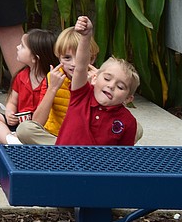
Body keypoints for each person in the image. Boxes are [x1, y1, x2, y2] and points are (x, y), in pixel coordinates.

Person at [55, 14, 139, 146]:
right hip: (62, 163)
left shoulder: (128, 122)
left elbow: (123, 157)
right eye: (107, 78)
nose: (111, 86)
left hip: (98, 167)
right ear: (94, 78)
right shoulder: (81, 96)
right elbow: (81, 67)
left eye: (120, 87)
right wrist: (85, 37)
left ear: (128, 99)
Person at [15, 27, 93, 145]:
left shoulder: (99, 80)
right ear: (58, 57)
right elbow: (37, 122)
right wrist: (52, 88)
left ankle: (63, 150)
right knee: (24, 129)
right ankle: (64, 149)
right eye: (67, 58)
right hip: (55, 136)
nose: (74, 64)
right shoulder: (53, 77)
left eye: (79, 57)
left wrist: (95, 90)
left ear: (91, 59)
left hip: (85, 139)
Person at [0, 28, 54, 144]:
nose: (17, 47)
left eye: (22, 46)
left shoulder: (51, 80)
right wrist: (9, 113)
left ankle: (8, 138)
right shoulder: (21, 76)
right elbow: (12, 102)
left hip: (37, 128)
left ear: (35, 58)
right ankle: (11, 139)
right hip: (18, 122)